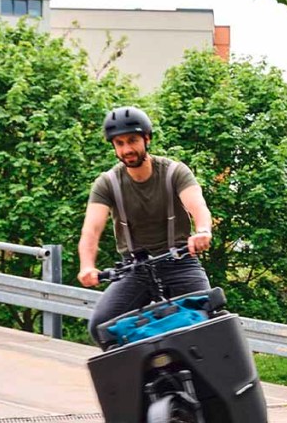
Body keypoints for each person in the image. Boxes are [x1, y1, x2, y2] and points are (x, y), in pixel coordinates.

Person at [78, 106, 215, 346]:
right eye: (119, 143)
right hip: (134, 270)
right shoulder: (107, 183)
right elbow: (91, 230)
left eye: (132, 140)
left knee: (209, 323)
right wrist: (87, 266)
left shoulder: (174, 172)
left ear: (147, 138)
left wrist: (203, 231)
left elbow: (198, 206)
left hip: (179, 262)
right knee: (101, 327)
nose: (127, 149)